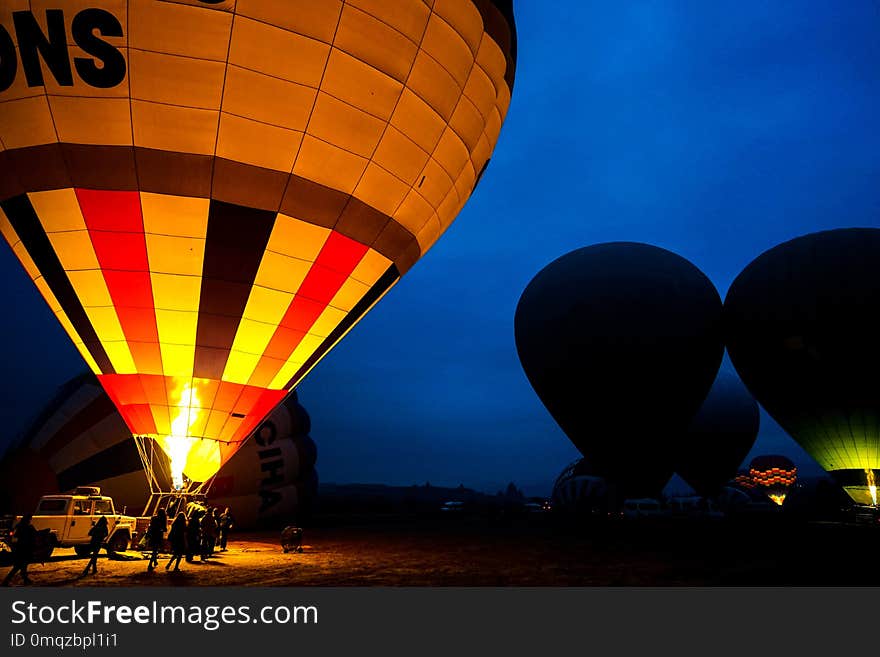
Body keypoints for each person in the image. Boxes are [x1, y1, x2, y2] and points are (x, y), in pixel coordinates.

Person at [2, 514, 37, 586]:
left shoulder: (19, 526)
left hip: (19, 547)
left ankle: (25, 579)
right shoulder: (29, 527)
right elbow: (34, 535)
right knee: (19, 565)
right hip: (25, 548)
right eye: (30, 519)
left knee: (22, 565)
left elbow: (15, 535)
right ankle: (6, 581)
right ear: (28, 519)